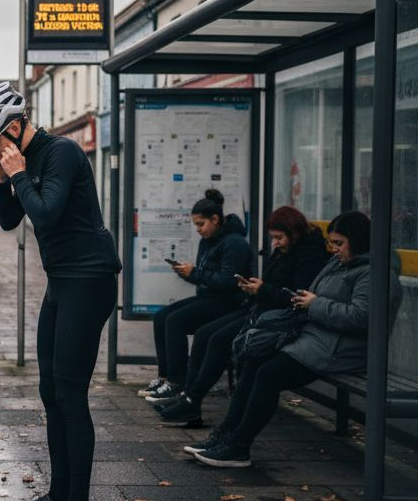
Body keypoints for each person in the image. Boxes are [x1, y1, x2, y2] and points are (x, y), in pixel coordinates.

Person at [0, 82, 122, 501]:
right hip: (62, 281)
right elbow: (13, 220)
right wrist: (2, 179)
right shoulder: (23, 160)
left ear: (14, 127)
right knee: (50, 390)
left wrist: (16, 175)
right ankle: (57, 495)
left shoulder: (63, 153)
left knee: (71, 394)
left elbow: (47, 215)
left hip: (89, 281)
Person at [191, 211, 395, 467]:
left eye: (339, 243)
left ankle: (238, 446)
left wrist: (315, 304)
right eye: (333, 242)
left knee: (268, 374)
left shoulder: (372, 273)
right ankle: (224, 436)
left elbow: (360, 317)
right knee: (255, 362)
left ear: (358, 241)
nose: (333, 249)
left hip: (341, 349)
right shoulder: (341, 263)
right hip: (317, 339)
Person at [155, 205, 331, 426]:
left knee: (218, 339)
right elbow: (273, 284)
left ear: (294, 233)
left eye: (279, 238)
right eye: (273, 238)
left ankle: (192, 399)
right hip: (260, 310)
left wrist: (262, 289)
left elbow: (298, 296)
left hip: (279, 319)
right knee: (204, 334)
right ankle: (188, 397)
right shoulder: (284, 250)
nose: (275, 243)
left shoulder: (308, 256)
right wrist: (256, 288)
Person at [141, 189, 252, 403]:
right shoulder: (208, 241)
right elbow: (205, 277)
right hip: (209, 298)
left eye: (201, 224)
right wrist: (188, 274)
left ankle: (177, 381)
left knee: (175, 321)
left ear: (215, 219)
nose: (198, 230)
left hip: (230, 303)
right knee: (161, 317)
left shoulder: (234, 243)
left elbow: (228, 282)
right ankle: (164, 376)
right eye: (196, 225)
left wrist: (196, 273)